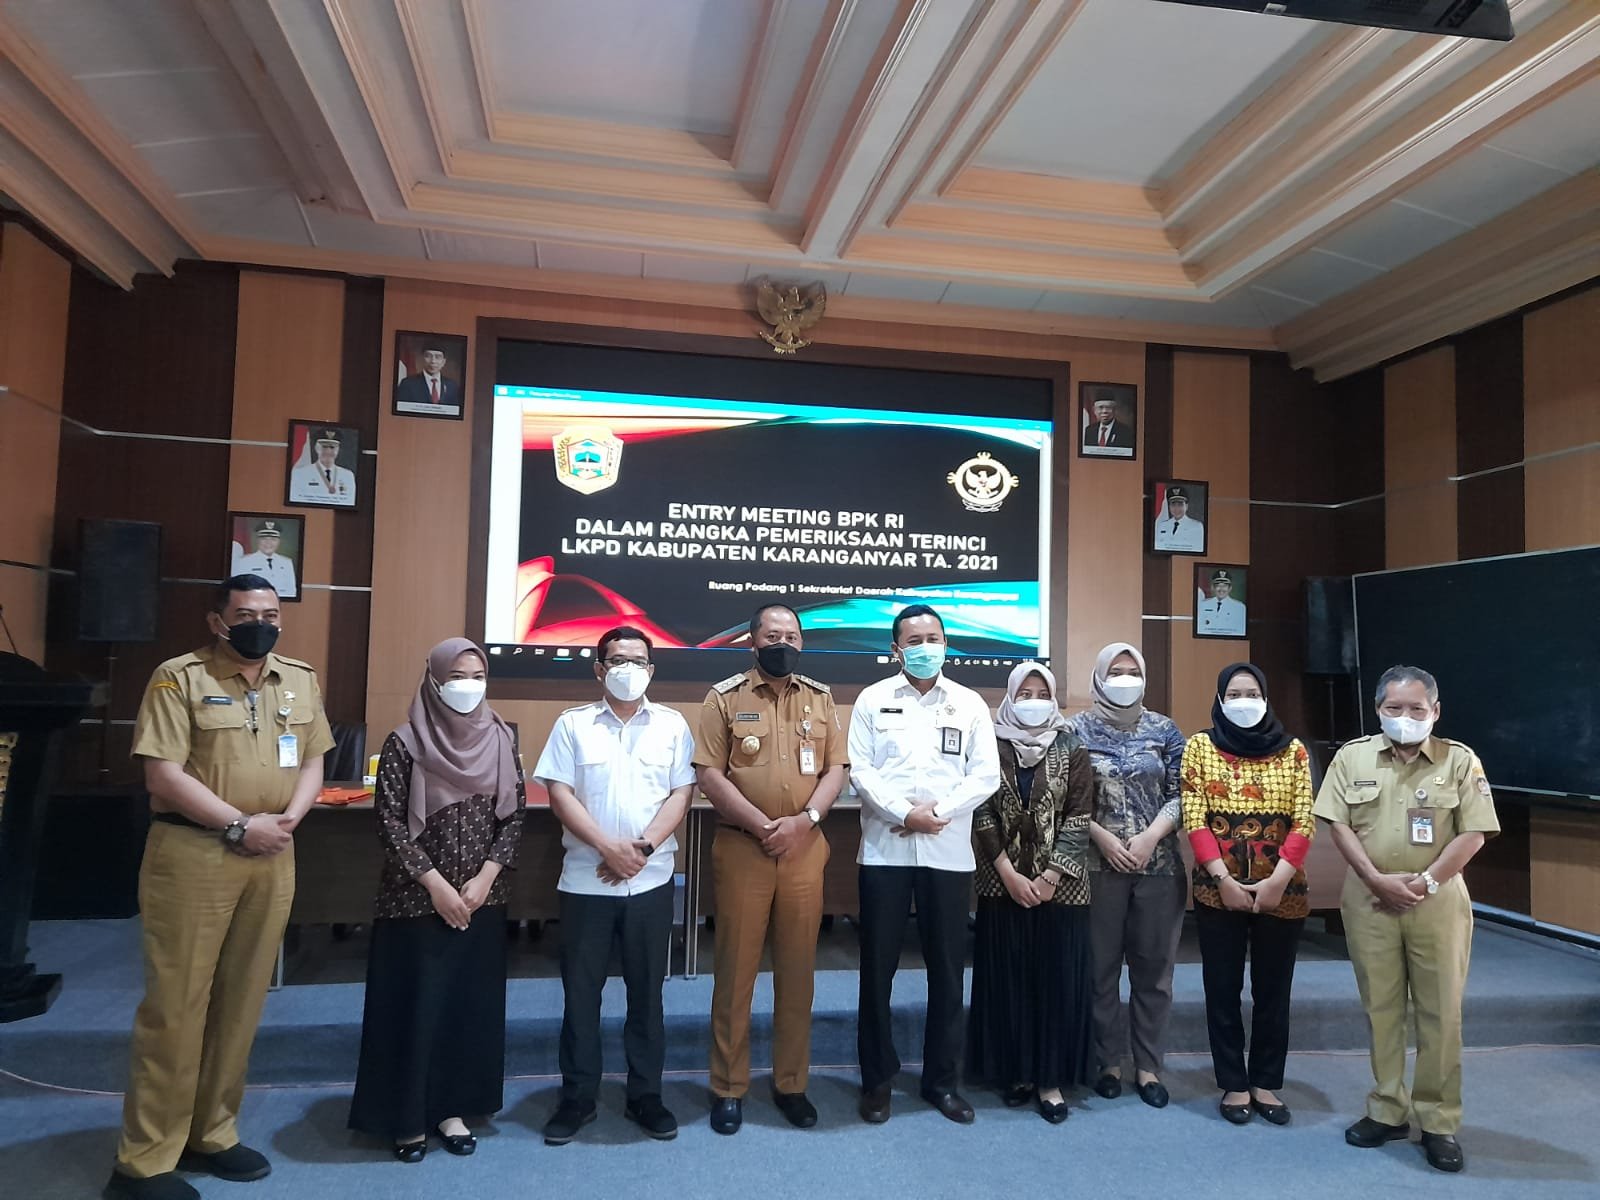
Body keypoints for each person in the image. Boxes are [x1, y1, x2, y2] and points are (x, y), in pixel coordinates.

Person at [106, 575, 333, 1200]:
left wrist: (289, 819)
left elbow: (314, 758)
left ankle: (211, 1132)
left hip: (272, 854)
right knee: (176, 1008)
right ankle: (145, 1160)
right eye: (246, 614)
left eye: (271, 614)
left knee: (242, 1003)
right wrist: (238, 824)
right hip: (195, 853)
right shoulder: (179, 678)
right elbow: (162, 775)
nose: (261, 624)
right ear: (217, 621)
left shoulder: (299, 679)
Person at [1313, 665, 1498, 1174]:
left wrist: (1427, 883)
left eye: (1417, 708)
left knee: (1441, 1011)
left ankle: (1438, 1119)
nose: (1405, 717)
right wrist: (1375, 879)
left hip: (1437, 902)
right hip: (1369, 899)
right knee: (1382, 1007)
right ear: (1378, 710)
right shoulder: (1352, 757)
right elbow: (1338, 824)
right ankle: (1387, 1109)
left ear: (1435, 711)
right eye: (1394, 708)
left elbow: (1474, 833)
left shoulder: (1460, 761)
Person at [348, 637, 525, 1161]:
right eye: (457, 677)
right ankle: (406, 1118)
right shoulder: (405, 742)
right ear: (433, 680)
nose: (468, 686)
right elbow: (389, 823)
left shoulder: (501, 737)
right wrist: (436, 886)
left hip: (482, 899)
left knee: (465, 1008)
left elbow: (514, 815)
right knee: (415, 1007)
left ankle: (452, 1110)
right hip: (415, 900)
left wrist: (486, 878)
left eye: (478, 676)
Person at [533, 626, 695, 1145]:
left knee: (647, 996)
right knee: (581, 997)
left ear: (652, 669)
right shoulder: (572, 724)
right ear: (599, 669)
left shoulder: (672, 725)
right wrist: (608, 847)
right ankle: (577, 1097)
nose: (629, 669)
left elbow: (681, 793)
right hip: (587, 881)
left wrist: (640, 850)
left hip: (650, 882)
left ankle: (646, 1095)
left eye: (638, 661)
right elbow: (560, 794)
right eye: (618, 660)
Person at [694, 604, 848, 1135]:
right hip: (744, 849)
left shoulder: (820, 698)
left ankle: (791, 1083)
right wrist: (763, 826)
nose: (783, 643)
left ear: (802, 643)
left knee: (798, 973)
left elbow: (836, 770)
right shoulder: (724, 697)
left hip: (804, 848)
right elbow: (710, 775)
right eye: (772, 635)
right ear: (752, 641)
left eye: (792, 636)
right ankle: (728, 1086)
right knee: (734, 972)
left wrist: (805, 821)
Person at [850, 604, 1000, 1125]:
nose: (925, 647)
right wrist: (904, 814)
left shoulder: (969, 703)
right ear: (896, 649)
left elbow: (985, 775)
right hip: (885, 853)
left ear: (946, 643)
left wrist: (935, 814)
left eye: (933, 638)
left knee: (948, 973)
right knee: (877, 972)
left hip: (947, 853)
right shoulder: (872, 700)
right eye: (913, 640)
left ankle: (942, 1082)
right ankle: (877, 1082)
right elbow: (862, 772)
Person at [1181, 663, 1315, 1126]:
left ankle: (1265, 1082)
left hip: (1283, 889)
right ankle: (1234, 1083)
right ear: (1220, 700)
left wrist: (1277, 881)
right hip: (1218, 888)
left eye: (1252, 693)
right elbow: (1194, 816)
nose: (1243, 701)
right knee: (1222, 988)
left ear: (1266, 697)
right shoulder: (1200, 746)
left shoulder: (1293, 751)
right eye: (1234, 694)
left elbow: (1305, 819)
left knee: (1273, 990)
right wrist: (1223, 879)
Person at [965, 662, 1094, 1124]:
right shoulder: (989, 744)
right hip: (1001, 885)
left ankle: (1049, 1079)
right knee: (1010, 981)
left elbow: (1080, 816)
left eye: (1042, 694)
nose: (1033, 701)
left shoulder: (1072, 747)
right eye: (1025, 693)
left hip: (1061, 890)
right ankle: (1015, 1071)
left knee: (1055, 982)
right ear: (1010, 697)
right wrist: (1008, 873)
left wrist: (1050, 877)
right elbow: (981, 811)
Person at [1064, 642, 1187, 1109]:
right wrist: (1102, 839)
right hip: (1096, 866)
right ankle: (1107, 1063)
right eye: (1115, 671)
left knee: (1154, 972)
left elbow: (1182, 793)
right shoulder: (1074, 729)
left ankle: (1149, 1066)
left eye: (1132, 671)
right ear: (1098, 677)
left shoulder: (1165, 729)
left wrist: (1150, 837)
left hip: (1159, 867)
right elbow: (1066, 797)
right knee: (1100, 971)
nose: (1124, 679)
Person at [288, 428, 356, 506]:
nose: (328, 451)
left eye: (332, 447)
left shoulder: (348, 476)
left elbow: (350, 501)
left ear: (338, 450)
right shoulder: (300, 474)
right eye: (324, 447)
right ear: (316, 448)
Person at [233, 521, 297, 600]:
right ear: (258, 540)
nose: (268, 543)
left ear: (279, 542)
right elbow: (238, 589)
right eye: (264, 539)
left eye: (273, 539)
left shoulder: (287, 562)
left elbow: (292, 591)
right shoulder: (244, 562)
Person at [394, 345, 460, 413]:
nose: (433, 361)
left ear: (443, 362)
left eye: (438, 357)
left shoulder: (452, 386)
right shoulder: (407, 384)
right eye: (428, 356)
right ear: (422, 359)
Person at [1152, 486, 1205, 552]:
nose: (1176, 508)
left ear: (1186, 506)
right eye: (1173, 505)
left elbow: (1198, 549)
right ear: (1169, 506)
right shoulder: (1161, 525)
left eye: (1180, 504)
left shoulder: (1196, 526)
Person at [1197, 569, 1246, 637]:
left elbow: (1241, 632)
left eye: (1224, 586)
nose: (1221, 589)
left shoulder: (1240, 608)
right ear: (1213, 588)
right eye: (1218, 585)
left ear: (1230, 588)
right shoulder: (1203, 605)